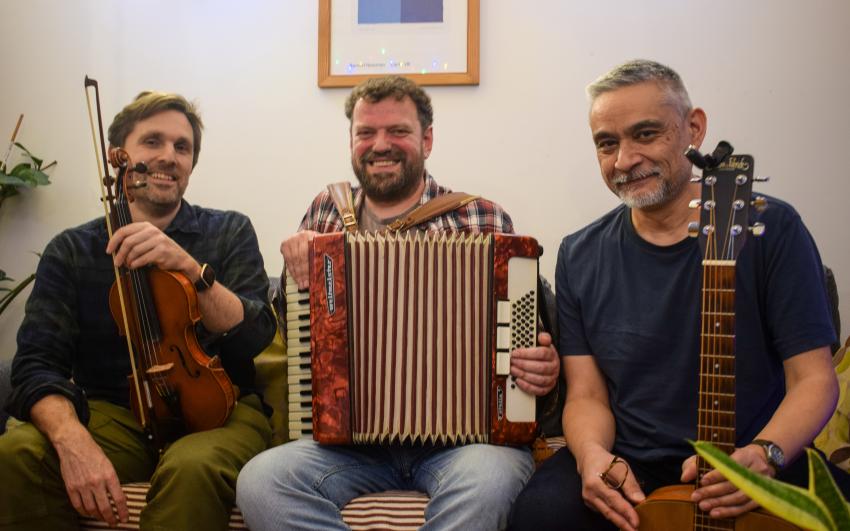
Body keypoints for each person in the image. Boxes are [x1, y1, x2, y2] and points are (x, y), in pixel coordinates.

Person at [508, 59, 850, 531]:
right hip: (633, 463)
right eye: (607, 144)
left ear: (694, 128)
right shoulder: (579, 253)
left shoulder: (774, 228)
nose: (625, 160)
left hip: (761, 452)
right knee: (540, 517)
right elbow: (586, 393)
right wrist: (591, 457)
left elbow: (814, 380)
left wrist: (765, 455)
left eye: (645, 134)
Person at [236, 75, 560, 531]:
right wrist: (291, 277)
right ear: (351, 141)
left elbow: (531, 350)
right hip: (349, 443)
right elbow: (296, 338)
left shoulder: (482, 218)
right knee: (260, 482)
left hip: (467, 445)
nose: (380, 145)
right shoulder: (325, 213)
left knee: (490, 485)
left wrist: (542, 368)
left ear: (426, 139)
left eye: (398, 132)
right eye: (365, 132)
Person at [0, 91, 276, 530]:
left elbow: (257, 334)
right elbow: (36, 364)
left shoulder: (229, 231)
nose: (168, 156)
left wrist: (188, 267)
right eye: (153, 142)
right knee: (17, 455)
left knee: (193, 469)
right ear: (120, 156)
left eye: (182, 147)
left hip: (220, 410)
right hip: (115, 411)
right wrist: (72, 440)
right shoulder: (71, 250)